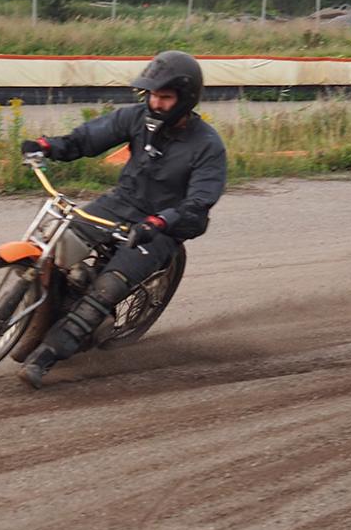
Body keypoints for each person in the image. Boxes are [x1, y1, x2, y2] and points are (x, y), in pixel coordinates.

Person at [17, 50, 227, 386]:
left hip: (160, 226)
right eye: (152, 95)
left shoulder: (207, 146)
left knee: (107, 287)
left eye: (165, 97)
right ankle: (43, 312)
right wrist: (46, 146)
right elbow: (86, 139)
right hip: (119, 204)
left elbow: (199, 203)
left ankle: (46, 357)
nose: (155, 103)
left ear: (185, 99)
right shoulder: (136, 118)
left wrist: (160, 223)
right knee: (54, 248)